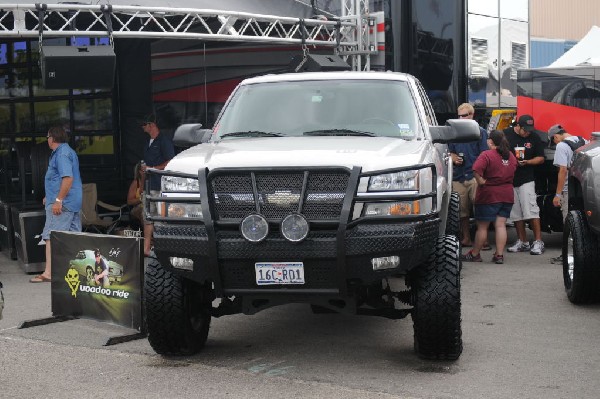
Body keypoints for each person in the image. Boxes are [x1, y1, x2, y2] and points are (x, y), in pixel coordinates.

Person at [30, 125, 83, 283]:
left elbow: (67, 178)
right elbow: (59, 178)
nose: (47, 140)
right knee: (72, 237)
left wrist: (58, 200)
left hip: (64, 203)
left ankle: (49, 273)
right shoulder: (68, 152)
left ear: (52, 138)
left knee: (51, 237)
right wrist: (50, 195)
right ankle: (75, 271)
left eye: (47, 137)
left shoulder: (61, 154)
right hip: (72, 201)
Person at [461, 130, 517, 264]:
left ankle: (475, 254)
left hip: (489, 194)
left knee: (482, 227)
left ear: (490, 141)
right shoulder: (510, 155)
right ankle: (499, 255)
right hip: (507, 193)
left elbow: (476, 169)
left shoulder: (486, 155)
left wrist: (480, 181)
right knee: (500, 225)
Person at [448, 103, 490, 248]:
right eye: (459, 115)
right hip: (458, 176)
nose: (461, 118)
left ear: (472, 115)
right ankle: (466, 238)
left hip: (474, 176)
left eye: (464, 115)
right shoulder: (453, 132)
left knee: (479, 208)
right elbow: (448, 152)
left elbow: (485, 155)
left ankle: (482, 239)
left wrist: (481, 175)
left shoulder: (480, 132)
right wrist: (452, 157)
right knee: (462, 211)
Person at [503, 115, 546, 255]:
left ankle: (538, 241)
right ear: (518, 126)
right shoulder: (506, 134)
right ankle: (523, 241)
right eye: (525, 130)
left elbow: (541, 158)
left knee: (532, 210)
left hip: (527, 178)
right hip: (510, 178)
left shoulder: (534, 137)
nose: (528, 132)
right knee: (516, 213)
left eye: (529, 129)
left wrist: (528, 162)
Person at [141, 113, 175, 256]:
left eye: (144, 124)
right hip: (148, 186)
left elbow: (170, 161)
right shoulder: (148, 142)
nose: (142, 127)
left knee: (161, 219)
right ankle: (146, 249)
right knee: (148, 218)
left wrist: (153, 168)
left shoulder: (164, 141)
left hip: (160, 186)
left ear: (152, 125)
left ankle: (163, 250)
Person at [548, 124, 588, 221]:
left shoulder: (561, 146)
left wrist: (557, 195)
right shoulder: (584, 140)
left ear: (556, 136)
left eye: (554, 141)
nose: (555, 144)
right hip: (584, 188)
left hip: (568, 190)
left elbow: (562, 170)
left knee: (569, 221)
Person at [127, 161, 144, 229]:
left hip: (151, 207)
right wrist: (141, 199)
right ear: (139, 171)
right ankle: (148, 236)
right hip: (138, 207)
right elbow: (129, 201)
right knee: (143, 213)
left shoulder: (153, 182)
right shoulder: (135, 183)